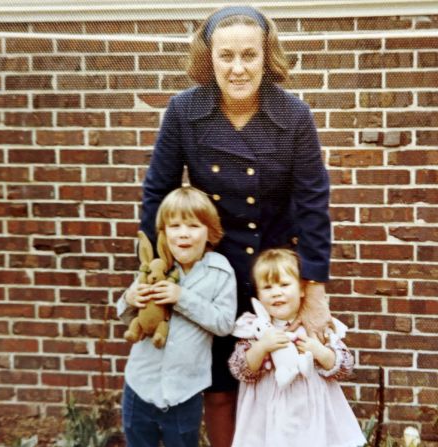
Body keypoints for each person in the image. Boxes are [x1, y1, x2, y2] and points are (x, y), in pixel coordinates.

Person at [139, 5, 333, 445]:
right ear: (209, 59)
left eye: (250, 55)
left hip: (275, 275)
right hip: (213, 277)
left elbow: (313, 204)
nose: (238, 68)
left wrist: (315, 289)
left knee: (282, 379)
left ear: (268, 57)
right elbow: (157, 193)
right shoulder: (184, 112)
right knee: (221, 388)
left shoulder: (294, 116)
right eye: (226, 57)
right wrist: (156, 271)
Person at [117, 186, 237, 447]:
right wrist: (129, 299)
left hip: (185, 392)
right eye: (175, 226)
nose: (183, 234)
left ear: (210, 232)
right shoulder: (154, 267)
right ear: (164, 232)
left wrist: (181, 297)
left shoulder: (220, 271)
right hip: (140, 385)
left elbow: (225, 324)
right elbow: (127, 318)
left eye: (193, 226)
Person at [228, 249, 365, 447]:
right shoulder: (256, 328)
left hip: (311, 412)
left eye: (284, 284)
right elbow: (241, 369)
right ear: (258, 295)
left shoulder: (315, 325)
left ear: (302, 289)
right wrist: (262, 347)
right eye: (267, 287)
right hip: (268, 414)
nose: (276, 292)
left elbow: (344, 366)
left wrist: (319, 350)